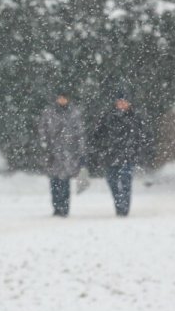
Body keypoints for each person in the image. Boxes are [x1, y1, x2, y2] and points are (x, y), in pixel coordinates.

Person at [90, 87, 148, 217]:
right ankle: (119, 204)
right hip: (110, 156)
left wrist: (138, 151)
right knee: (112, 182)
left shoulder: (135, 118)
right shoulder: (108, 117)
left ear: (129, 103)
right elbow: (97, 135)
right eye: (119, 101)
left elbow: (143, 137)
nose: (121, 104)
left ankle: (124, 208)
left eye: (124, 101)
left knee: (125, 183)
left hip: (128, 156)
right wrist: (100, 150)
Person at [36, 89, 85, 217]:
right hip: (52, 154)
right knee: (54, 182)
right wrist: (45, 146)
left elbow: (79, 134)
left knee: (64, 182)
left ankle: (64, 207)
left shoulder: (74, 113)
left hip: (69, 154)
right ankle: (56, 207)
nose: (62, 100)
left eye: (64, 98)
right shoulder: (49, 113)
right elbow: (43, 130)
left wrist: (80, 151)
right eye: (60, 98)